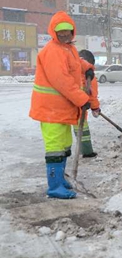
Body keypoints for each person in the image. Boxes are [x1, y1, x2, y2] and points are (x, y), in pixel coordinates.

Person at [29, 11, 94, 199]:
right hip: (50, 110)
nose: (65, 35)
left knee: (65, 145)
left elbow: (74, 64)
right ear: (53, 32)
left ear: (73, 31)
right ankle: (55, 185)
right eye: (61, 32)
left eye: (68, 32)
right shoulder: (52, 52)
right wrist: (82, 99)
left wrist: (86, 67)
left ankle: (61, 179)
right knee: (55, 147)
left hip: (62, 109)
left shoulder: (68, 48)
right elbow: (62, 81)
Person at [74, 49, 101, 158]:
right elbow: (91, 94)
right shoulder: (89, 75)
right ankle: (87, 151)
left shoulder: (71, 68)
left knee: (63, 131)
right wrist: (95, 108)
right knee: (82, 128)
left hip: (66, 105)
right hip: (80, 107)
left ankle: (63, 151)